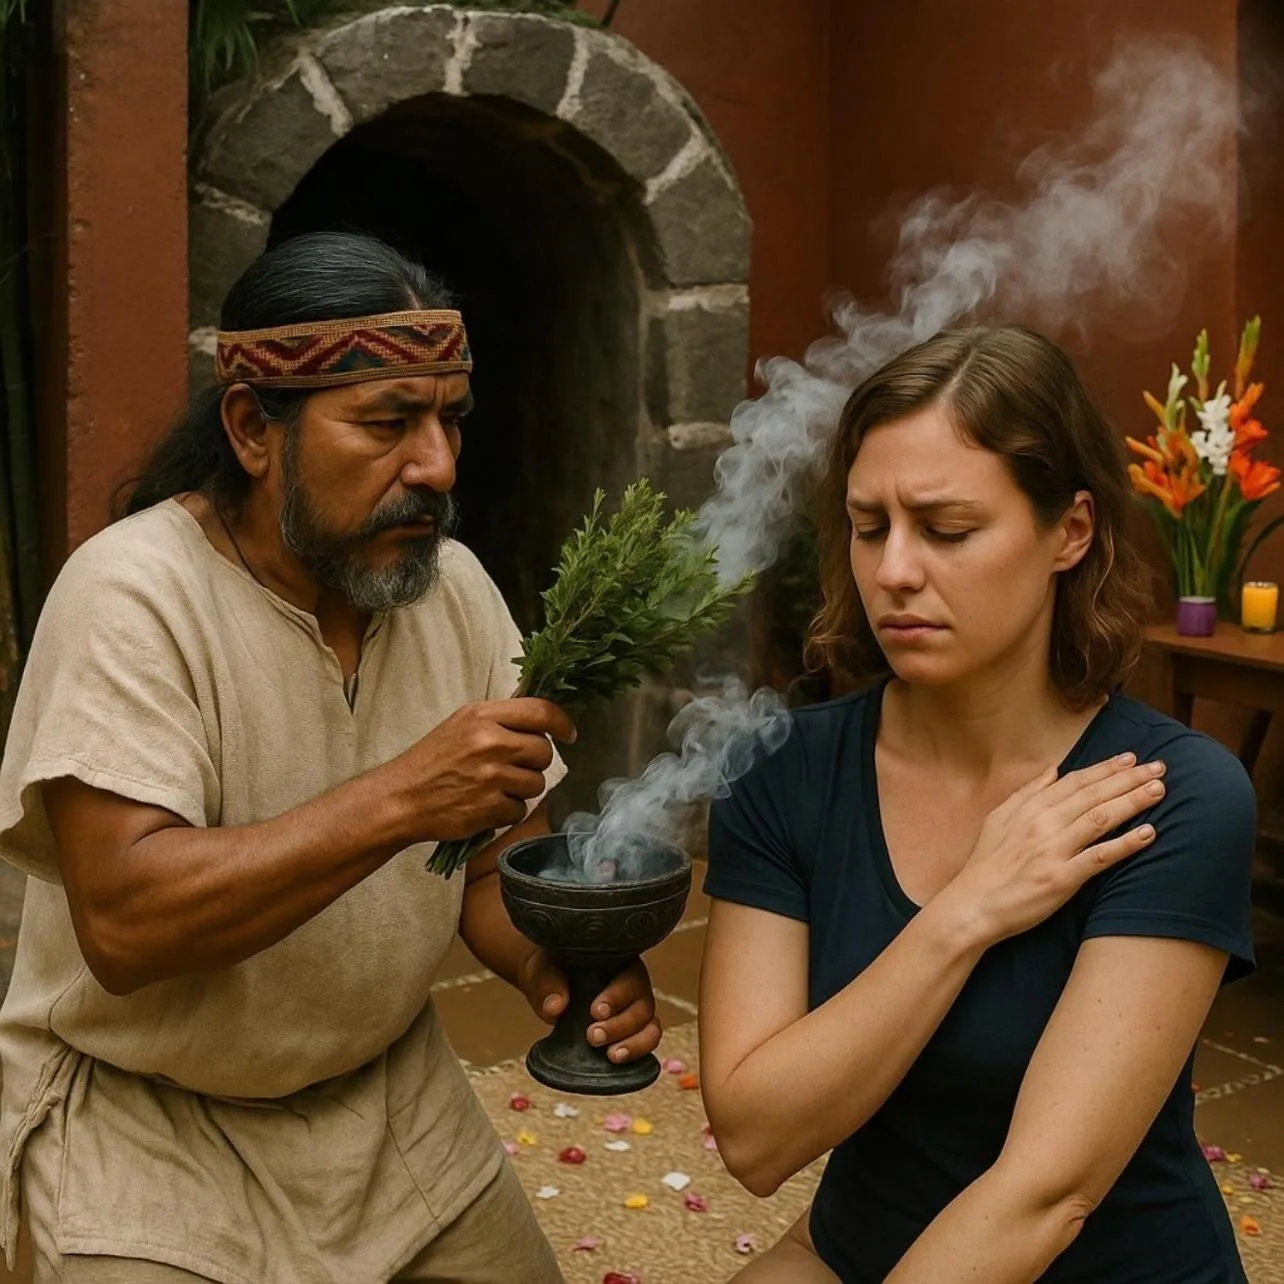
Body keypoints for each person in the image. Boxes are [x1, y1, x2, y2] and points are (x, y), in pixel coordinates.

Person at [0, 230, 661, 1283]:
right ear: (254, 432)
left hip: (390, 1109)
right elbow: (126, 924)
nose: (436, 466)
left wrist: (556, 968)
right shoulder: (131, 596)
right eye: (388, 423)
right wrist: (403, 798)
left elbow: (495, 858)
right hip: (150, 1129)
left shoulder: (454, 590)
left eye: (449, 421)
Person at [699, 325, 1255, 1283]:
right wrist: (965, 913)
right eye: (870, 528)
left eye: (947, 530)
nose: (895, 572)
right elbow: (755, 1138)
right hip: (859, 1256)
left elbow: (1043, 1197)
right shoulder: (782, 771)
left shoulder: (1174, 796)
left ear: (1069, 533)